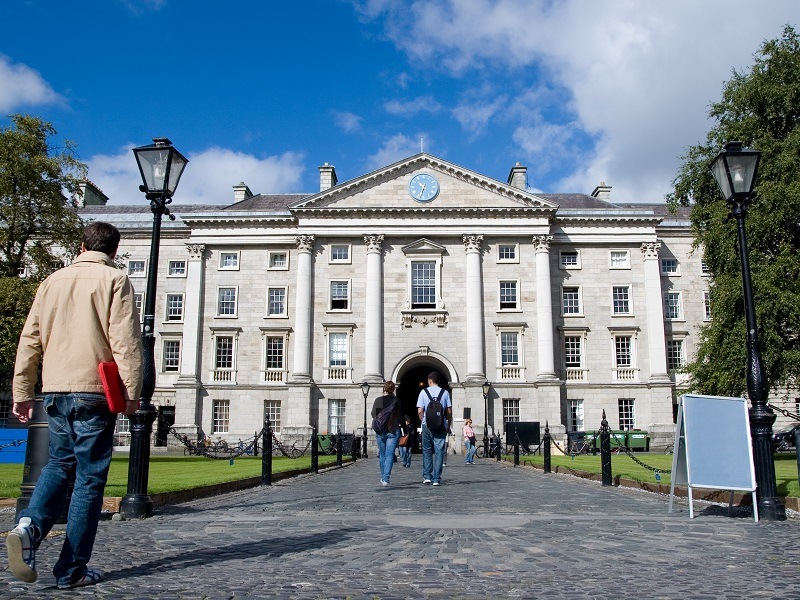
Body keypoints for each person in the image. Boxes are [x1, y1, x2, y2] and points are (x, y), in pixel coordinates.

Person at [6, 222, 143, 589]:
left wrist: (22, 391)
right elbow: (125, 341)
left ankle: (31, 525)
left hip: (53, 389)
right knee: (88, 478)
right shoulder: (114, 280)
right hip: (94, 390)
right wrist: (131, 392)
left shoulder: (51, 281)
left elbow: (30, 339)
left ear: (82, 245)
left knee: (58, 462)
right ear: (113, 251)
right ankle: (71, 571)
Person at [416, 372, 452, 486]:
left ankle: (427, 476)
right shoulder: (445, 392)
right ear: (438, 381)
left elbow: (420, 411)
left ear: (429, 381)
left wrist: (423, 422)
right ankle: (436, 478)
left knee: (427, 450)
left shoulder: (423, 392)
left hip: (427, 425)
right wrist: (448, 423)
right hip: (441, 424)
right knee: (439, 451)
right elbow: (449, 411)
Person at [371, 381, 402, 486]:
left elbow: (373, 414)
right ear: (393, 389)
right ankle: (386, 478)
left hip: (380, 430)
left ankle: (383, 476)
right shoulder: (397, 401)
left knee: (382, 454)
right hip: (393, 430)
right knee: (389, 454)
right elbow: (400, 416)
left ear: (384, 389)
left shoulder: (379, 400)